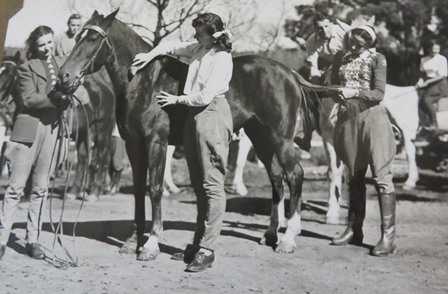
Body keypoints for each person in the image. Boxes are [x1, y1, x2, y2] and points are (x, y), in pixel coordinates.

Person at [131, 12, 233, 272]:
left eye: (199, 32)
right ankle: (197, 244)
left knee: (212, 185)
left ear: (213, 34)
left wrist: (176, 101)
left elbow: (205, 95)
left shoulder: (221, 58)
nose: (195, 36)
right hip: (194, 116)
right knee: (198, 183)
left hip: (210, 113)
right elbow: (170, 46)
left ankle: (207, 249)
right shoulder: (200, 48)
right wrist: (150, 54)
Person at [0, 26, 69, 260]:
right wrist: (56, 97)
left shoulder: (62, 65)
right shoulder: (25, 67)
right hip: (29, 129)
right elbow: (29, 100)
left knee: (41, 188)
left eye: (50, 42)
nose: (48, 48)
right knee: (16, 188)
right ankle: (2, 238)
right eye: (42, 44)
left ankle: (33, 240)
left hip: (52, 130)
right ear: (34, 46)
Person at [329, 24, 397, 257]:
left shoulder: (378, 58)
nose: (355, 46)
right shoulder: (341, 57)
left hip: (372, 119)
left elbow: (378, 93)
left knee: (381, 177)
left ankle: (388, 237)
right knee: (353, 174)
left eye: (360, 43)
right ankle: (353, 229)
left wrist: (355, 93)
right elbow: (331, 85)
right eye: (352, 42)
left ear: (369, 43)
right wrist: (335, 92)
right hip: (348, 119)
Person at [295, 11, 351, 153]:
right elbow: (314, 67)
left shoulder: (344, 31)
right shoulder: (311, 41)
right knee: (309, 96)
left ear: (332, 24)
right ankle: (306, 135)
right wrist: (316, 88)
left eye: (327, 26)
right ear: (315, 28)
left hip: (351, 65)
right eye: (320, 28)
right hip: (329, 69)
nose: (324, 31)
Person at [416, 40, 448, 130]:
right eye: (433, 49)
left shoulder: (442, 59)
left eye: (437, 48)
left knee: (427, 100)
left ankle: (434, 123)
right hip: (428, 83)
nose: (435, 51)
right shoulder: (423, 60)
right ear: (428, 49)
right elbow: (422, 74)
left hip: (439, 84)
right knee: (417, 98)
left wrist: (427, 82)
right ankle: (422, 123)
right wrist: (419, 81)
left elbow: (442, 75)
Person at [108, 123, 126, 195]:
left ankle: (115, 185)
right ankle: (109, 184)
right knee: (109, 162)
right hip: (109, 135)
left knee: (117, 163)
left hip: (119, 136)